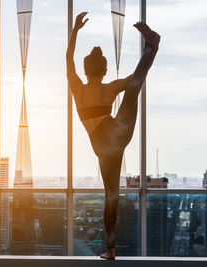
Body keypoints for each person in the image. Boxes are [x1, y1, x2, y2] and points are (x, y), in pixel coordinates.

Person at [66, 12, 160, 260]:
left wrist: (75, 31)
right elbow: (137, 78)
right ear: (105, 70)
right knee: (132, 89)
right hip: (118, 132)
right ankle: (152, 45)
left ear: (85, 70)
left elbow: (68, 60)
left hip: (105, 145)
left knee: (111, 196)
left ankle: (110, 249)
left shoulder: (77, 88)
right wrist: (150, 53)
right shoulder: (109, 88)